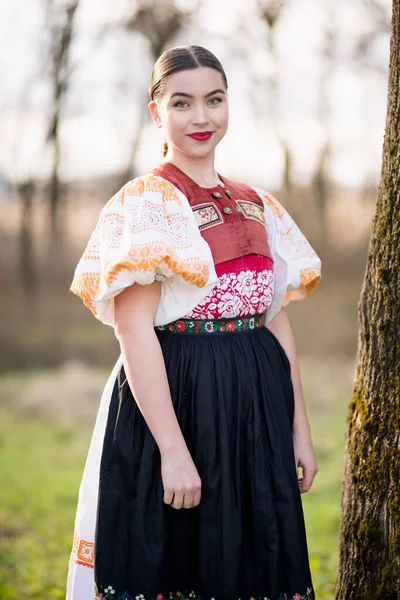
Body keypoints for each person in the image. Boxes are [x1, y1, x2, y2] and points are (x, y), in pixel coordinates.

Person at [66, 44, 322, 600]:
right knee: (184, 557)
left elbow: (274, 318)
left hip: (255, 403)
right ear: (157, 112)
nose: (201, 117)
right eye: (182, 103)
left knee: (252, 558)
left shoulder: (257, 203)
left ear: (230, 105)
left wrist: (298, 426)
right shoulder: (146, 205)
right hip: (180, 397)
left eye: (214, 100)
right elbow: (134, 332)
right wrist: (173, 451)